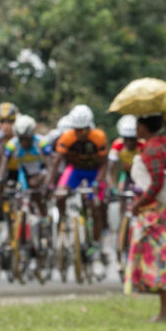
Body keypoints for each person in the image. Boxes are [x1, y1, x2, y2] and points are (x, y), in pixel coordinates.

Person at [125, 114, 166, 322]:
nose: (136, 128)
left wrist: (138, 204)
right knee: (160, 257)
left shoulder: (153, 149)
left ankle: (165, 312)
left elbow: (156, 183)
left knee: (161, 259)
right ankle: (164, 310)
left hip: (156, 211)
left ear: (144, 127)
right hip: (165, 210)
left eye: (138, 124)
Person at [45, 104, 109, 263]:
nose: (80, 133)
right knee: (60, 195)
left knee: (95, 205)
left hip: (94, 171)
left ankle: (96, 242)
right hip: (75, 171)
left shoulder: (99, 137)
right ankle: (64, 221)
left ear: (89, 127)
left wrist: (97, 182)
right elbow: (56, 162)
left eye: (83, 130)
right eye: (77, 130)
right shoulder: (66, 137)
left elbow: (104, 164)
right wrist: (50, 184)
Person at [105, 114, 143, 192]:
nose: (129, 142)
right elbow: (110, 170)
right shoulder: (117, 145)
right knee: (121, 190)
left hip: (141, 175)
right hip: (127, 174)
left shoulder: (143, 145)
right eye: (126, 139)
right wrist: (113, 188)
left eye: (132, 139)